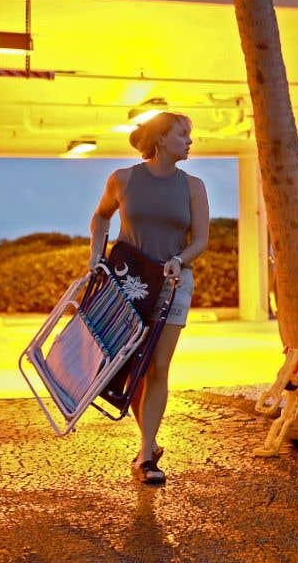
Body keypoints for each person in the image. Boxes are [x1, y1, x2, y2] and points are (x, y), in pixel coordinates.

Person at [88, 112, 209, 484]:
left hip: (173, 283)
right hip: (128, 283)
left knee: (157, 367)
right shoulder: (123, 179)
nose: (190, 141)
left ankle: (146, 456)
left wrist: (178, 260)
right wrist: (95, 256)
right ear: (160, 139)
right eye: (182, 134)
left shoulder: (193, 186)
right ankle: (149, 441)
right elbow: (100, 218)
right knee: (131, 365)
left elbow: (201, 242)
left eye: (190, 135)